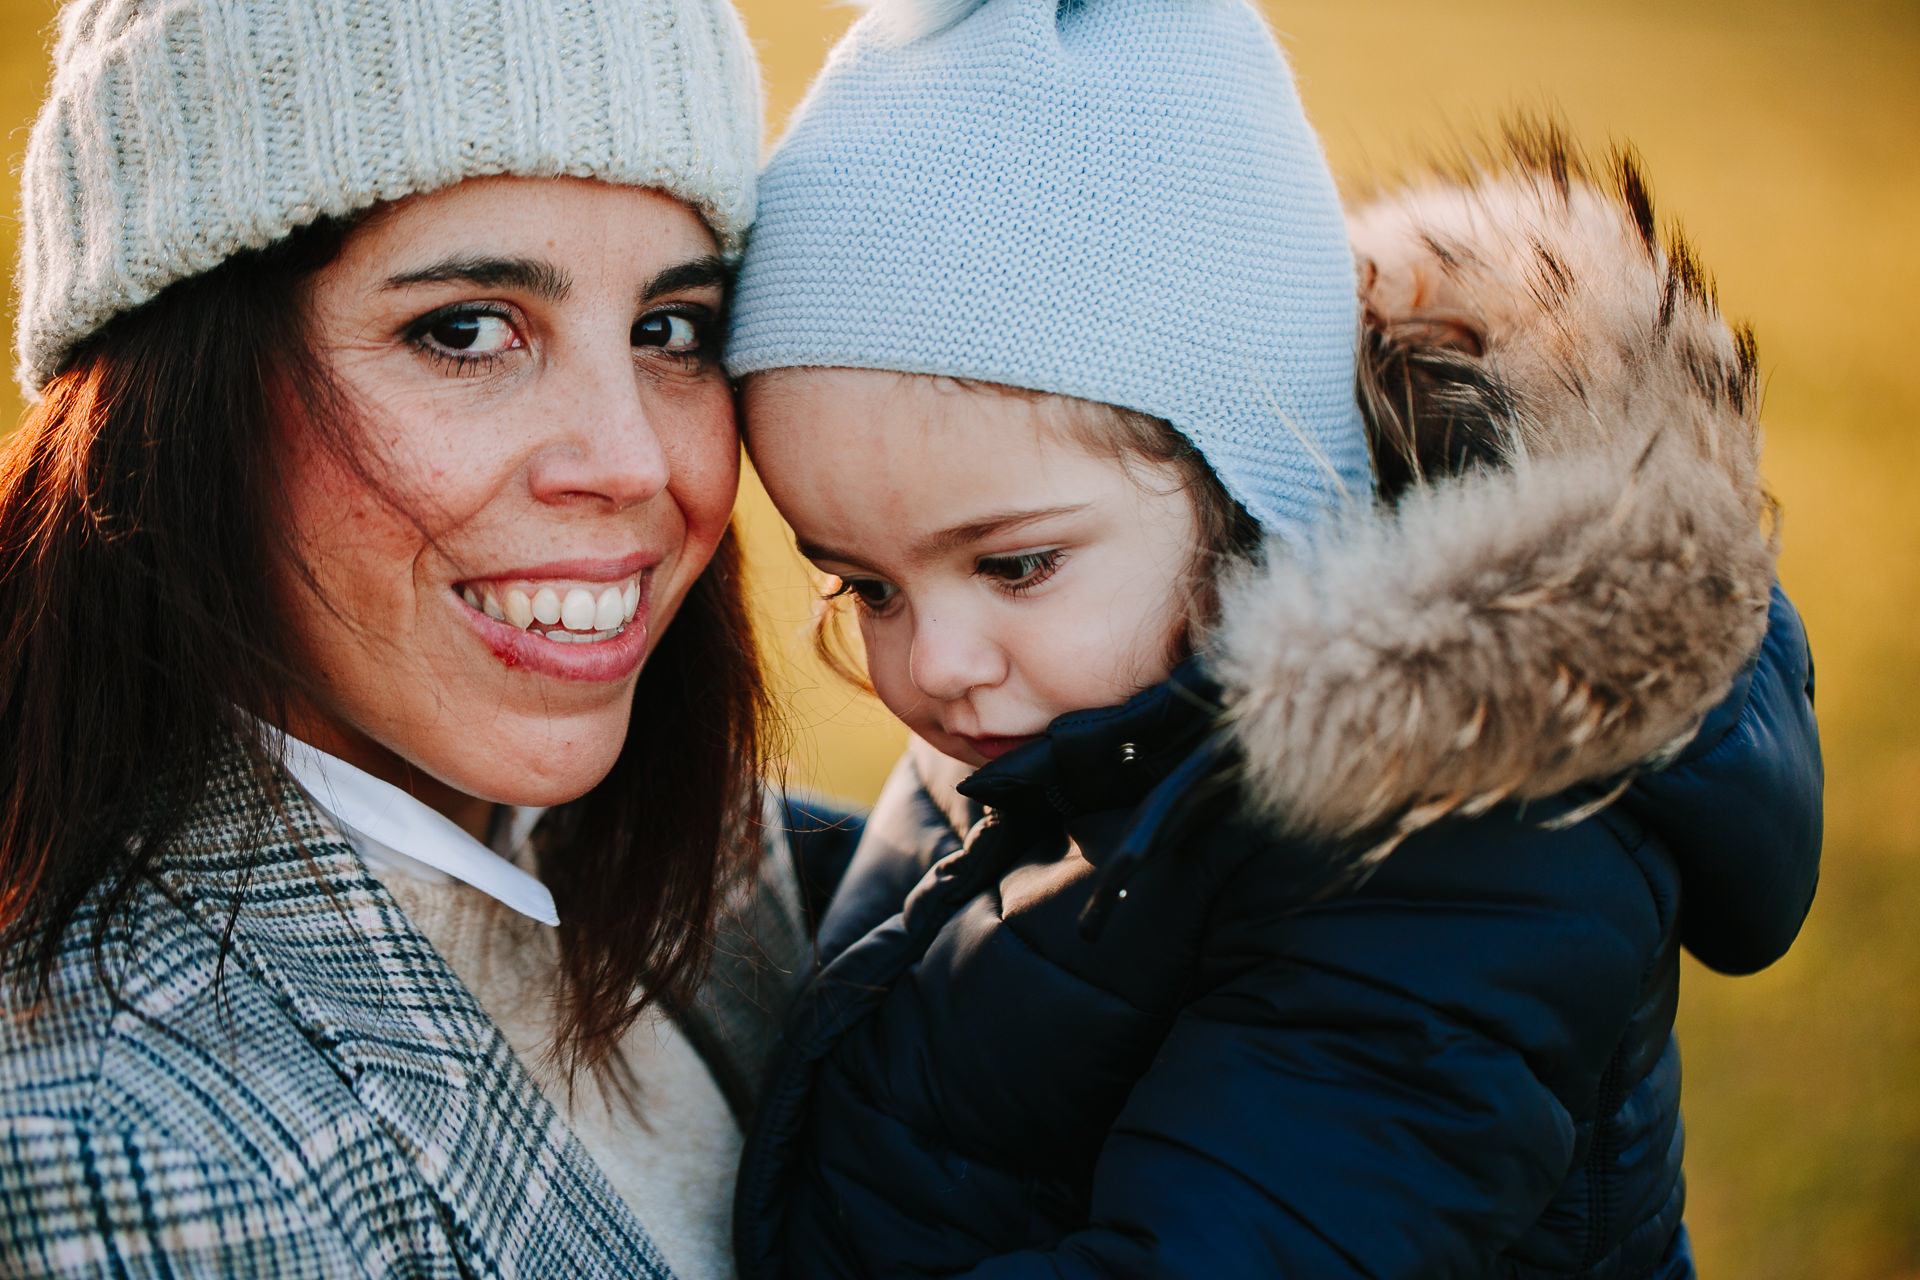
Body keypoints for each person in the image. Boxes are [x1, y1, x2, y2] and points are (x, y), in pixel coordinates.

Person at [721, 0, 1824, 1276]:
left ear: (1252, 476)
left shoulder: (1462, 861)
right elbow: (962, 936)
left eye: (1013, 563)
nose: (932, 662)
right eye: (862, 585)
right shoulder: (1083, 694)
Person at [0, 1, 817, 1276]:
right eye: (468, 329)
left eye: (671, 329)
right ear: (183, 396)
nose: (633, 459)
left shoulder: (712, 843)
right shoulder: (119, 1135)